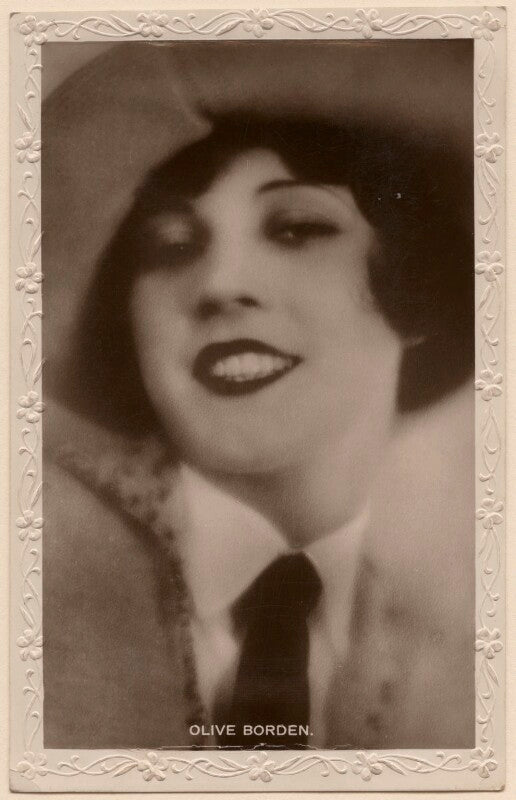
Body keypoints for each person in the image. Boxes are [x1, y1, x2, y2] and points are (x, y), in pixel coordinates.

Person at [42, 40, 475, 750]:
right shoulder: (34, 584)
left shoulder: (462, 658)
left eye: (296, 228)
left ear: (416, 288)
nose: (219, 285)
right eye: (171, 244)